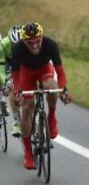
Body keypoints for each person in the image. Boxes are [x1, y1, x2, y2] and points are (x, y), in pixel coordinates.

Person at [12, 22, 72, 169]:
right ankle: (27, 152)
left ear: (42, 38)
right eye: (29, 43)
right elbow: (15, 75)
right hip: (26, 73)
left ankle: (51, 116)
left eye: (37, 41)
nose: (34, 46)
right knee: (27, 108)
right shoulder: (18, 48)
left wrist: (64, 90)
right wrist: (16, 92)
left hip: (44, 69)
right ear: (24, 41)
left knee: (51, 86)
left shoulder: (50, 44)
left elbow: (60, 72)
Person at [0, 25, 22, 137]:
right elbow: (1, 71)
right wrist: (6, 82)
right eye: (14, 45)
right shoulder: (2, 45)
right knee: (12, 87)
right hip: (9, 63)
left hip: (23, 63)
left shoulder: (28, 45)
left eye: (20, 45)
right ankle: (16, 122)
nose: (17, 48)